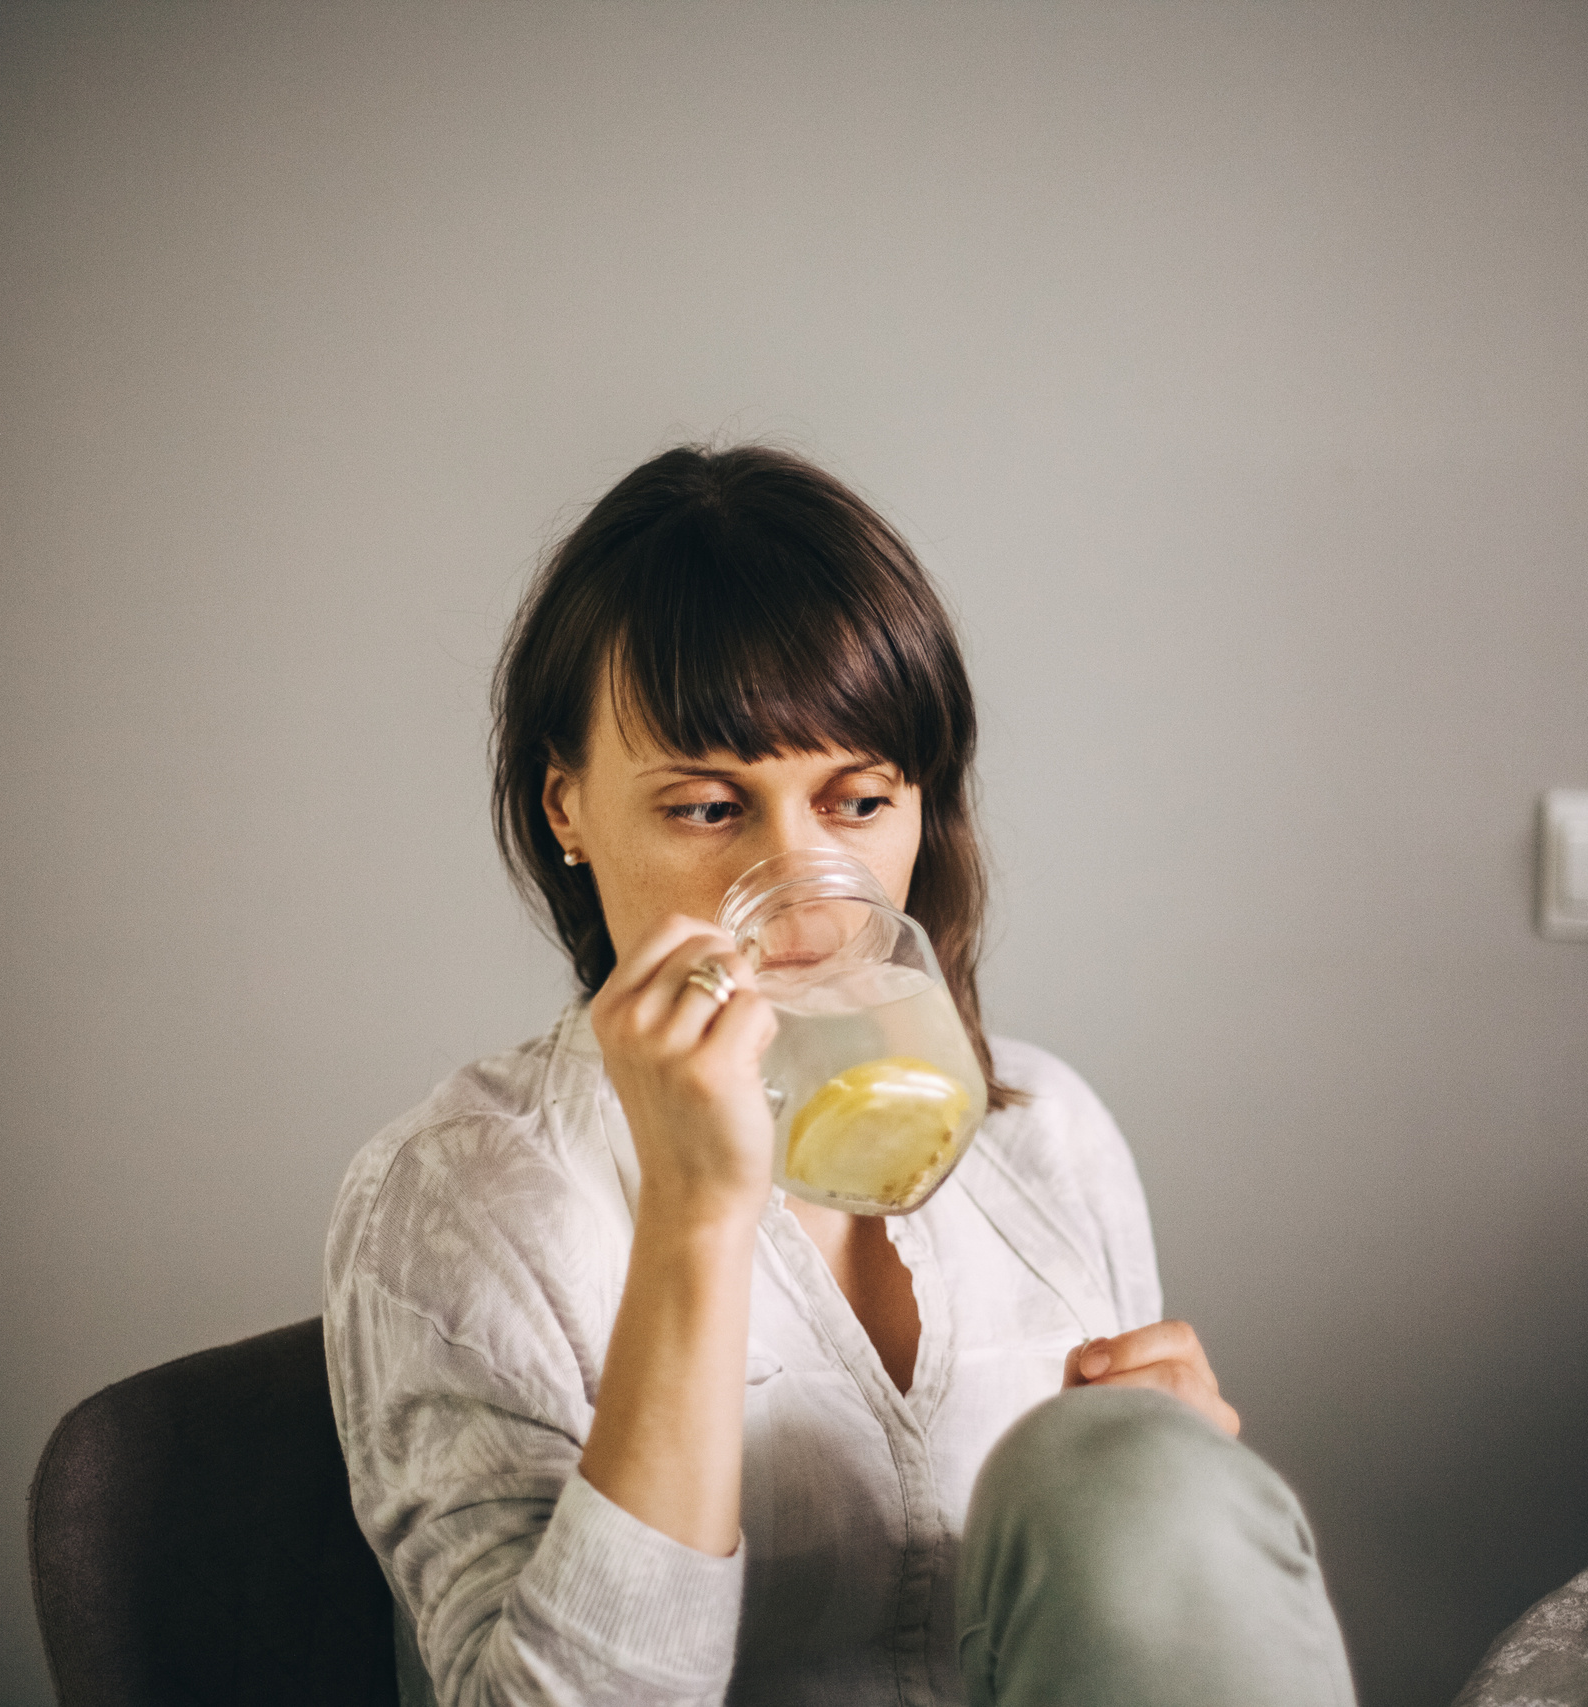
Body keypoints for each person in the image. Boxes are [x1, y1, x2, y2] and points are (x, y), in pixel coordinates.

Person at [323, 445, 1357, 1707]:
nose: (801, 884)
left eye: (857, 802)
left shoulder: (1049, 1139)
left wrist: (1163, 1485)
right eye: (708, 809)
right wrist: (695, 1218)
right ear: (568, 809)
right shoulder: (463, 1199)